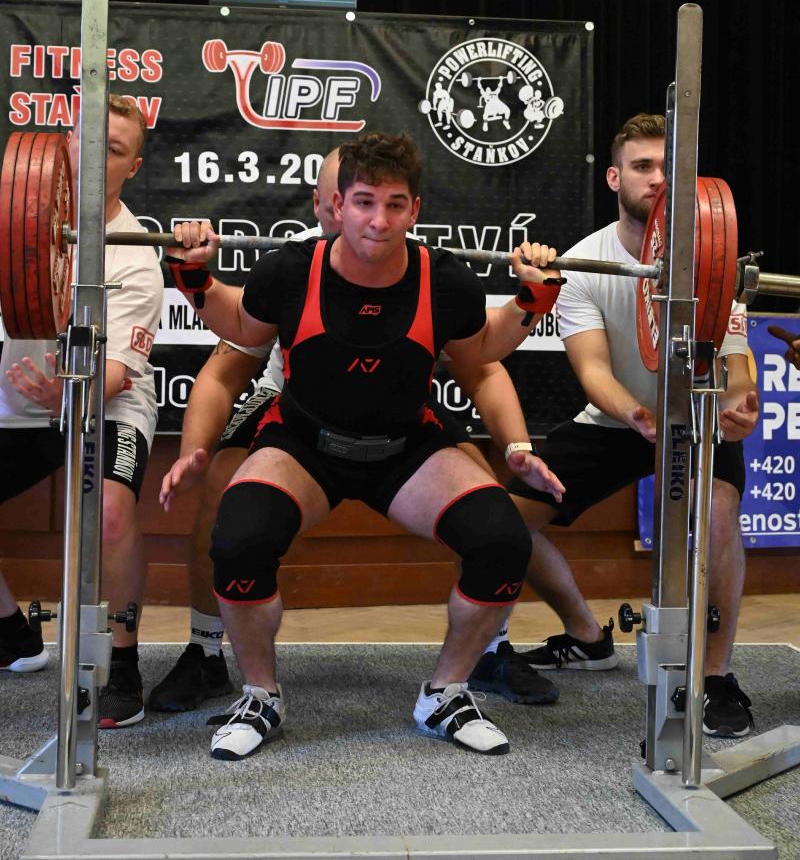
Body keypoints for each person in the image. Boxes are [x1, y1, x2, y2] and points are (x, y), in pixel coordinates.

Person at [165, 131, 564, 760]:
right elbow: (237, 324)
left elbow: (484, 351)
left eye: (395, 204)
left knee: (503, 541)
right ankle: (261, 695)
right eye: (364, 202)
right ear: (337, 205)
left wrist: (534, 294)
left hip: (405, 450)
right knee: (238, 539)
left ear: (415, 209)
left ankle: (445, 693)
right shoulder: (290, 270)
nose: (379, 220)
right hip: (304, 445)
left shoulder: (445, 280)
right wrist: (192, 273)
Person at [491, 113, 759, 738]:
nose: (659, 178)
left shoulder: (712, 258)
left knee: (719, 514)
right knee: (498, 522)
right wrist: (634, 414)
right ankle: (587, 637)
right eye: (643, 166)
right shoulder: (587, 262)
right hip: (619, 421)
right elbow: (593, 370)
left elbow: (736, 365)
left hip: (695, 418)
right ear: (615, 178)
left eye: (670, 167)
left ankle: (715, 677)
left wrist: (740, 404)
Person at [0, 96, 164, 731]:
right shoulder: (11, 220)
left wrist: (67, 394)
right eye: (84, 139)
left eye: (112, 149)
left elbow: (117, 373)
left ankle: (123, 664)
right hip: (22, 401)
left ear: (133, 167)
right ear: (61, 145)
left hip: (103, 402)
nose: (91, 156)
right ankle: (13, 635)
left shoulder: (135, 253)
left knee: (112, 512)